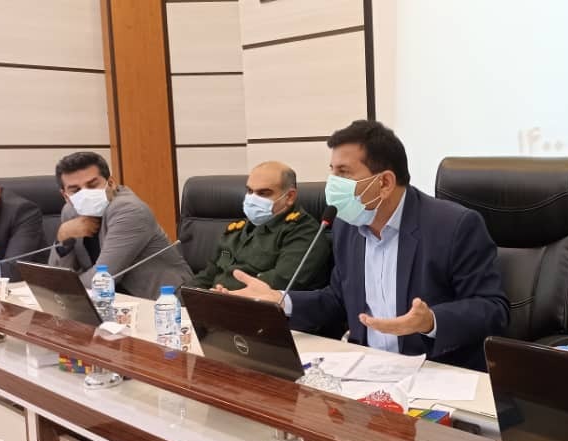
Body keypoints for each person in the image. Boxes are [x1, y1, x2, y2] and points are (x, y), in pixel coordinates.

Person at [225, 120, 509, 371]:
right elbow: (338, 299)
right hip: (367, 370)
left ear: (384, 182)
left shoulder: (453, 225)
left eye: (344, 172)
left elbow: (493, 309)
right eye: (332, 171)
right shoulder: (347, 225)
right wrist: (281, 300)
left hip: (434, 371)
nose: (332, 183)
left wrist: (431, 321)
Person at [48, 152, 193, 299]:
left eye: (92, 185)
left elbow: (103, 279)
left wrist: (61, 289)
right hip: (108, 300)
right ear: (66, 196)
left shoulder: (129, 210)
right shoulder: (70, 212)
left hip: (162, 301)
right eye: (75, 190)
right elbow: (56, 274)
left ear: (111, 183)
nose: (85, 194)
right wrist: (63, 236)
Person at [186, 161, 331, 291]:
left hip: (257, 308)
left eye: (263, 193)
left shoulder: (304, 232)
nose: (252, 199)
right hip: (215, 303)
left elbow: (279, 283)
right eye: (250, 191)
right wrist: (185, 296)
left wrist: (225, 296)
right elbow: (208, 274)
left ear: (289, 197)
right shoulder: (237, 229)